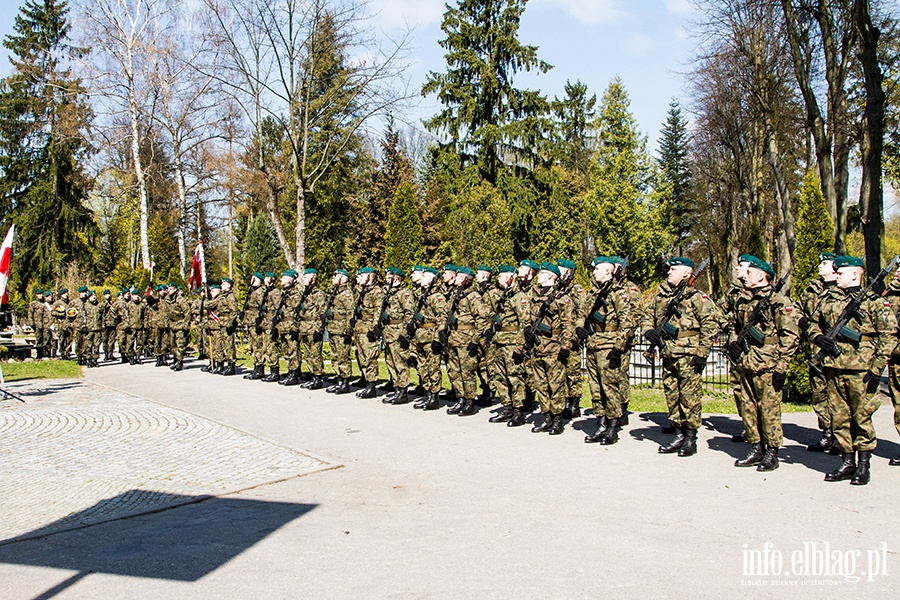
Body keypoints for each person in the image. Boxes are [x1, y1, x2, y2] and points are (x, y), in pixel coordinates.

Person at [809, 255, 898, 485]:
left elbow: (889, 335)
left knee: (862, 417)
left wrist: (877, 369)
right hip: (834, 366)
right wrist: (818, 338)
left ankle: (863, 465)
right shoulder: (828, 299)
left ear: (855, 274)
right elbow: (811, 323)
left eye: (841, 272)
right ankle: (847, 462)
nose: (836, 275)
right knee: (839, 417)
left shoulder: (873, 301)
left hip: (861, 369)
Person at [726, 256, 799, 471]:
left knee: (768, 409)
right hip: (745, 361)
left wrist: (782, 366)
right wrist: (733, 343)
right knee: (748, 407)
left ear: (761, 276)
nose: (745, 276)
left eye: (749, 273)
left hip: (768, 363)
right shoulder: (743, 300)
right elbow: (733, 325)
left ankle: (771, 451)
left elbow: (791, 336)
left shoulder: (778, 302)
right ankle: (755, 447)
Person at [641, 257, 718, 457]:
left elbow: (710, 326)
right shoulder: (661, 297)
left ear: (686, 273)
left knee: (689, 398)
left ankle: (690, 438)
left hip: (689, 355)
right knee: (672, 395)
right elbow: (646, 316)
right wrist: (648, 331)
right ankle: (677, 433)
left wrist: (702, 354)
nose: (668, 272)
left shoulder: (697, 298)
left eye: (673, 269)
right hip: (668, 352)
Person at [580, 257, 634, 445]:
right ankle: (601, 423)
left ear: (608, 272)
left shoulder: (618, 293)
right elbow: (582, 314)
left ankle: (612, 427)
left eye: (597, 269)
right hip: (594, 344)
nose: (594, 272)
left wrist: (618, 348)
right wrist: (581, 328)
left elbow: (628, 323)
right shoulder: (593, 293)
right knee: (595, 389)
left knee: (609, 388)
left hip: (609, 346)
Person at [520, 262, 575, 435]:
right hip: (537, 346)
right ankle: (547, 417)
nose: (539, 276)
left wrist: (565, 346)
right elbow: (526, 316)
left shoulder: (561, 297)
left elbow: (568, 324)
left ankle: (557, 419)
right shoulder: (533, 294)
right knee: (541, 384)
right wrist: (527, 329)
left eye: (543, 273)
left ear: (552, 276)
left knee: (555, 385)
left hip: (554, 347)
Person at [800, 252, 839, 452]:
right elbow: (797, 308)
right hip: (814, 351)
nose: (820, 266)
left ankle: (841, 437)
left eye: (824, 263)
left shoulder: (843, 290)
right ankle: (826, 433)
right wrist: (801, 320)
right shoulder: (811, 289)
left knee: (837, 395)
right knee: (820, 394)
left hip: (836, 353)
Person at [484, 265, 527, 426]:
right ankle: (507, 406)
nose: (498, 279)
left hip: (512, 342)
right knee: (499, 375)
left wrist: (520, 347)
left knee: (514, 376)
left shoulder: (519, 297)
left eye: (501, 276)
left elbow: (525, 323)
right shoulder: (504, 295)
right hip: (499, 341)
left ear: (510, 278)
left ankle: (518, 411)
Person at [411, 267, 447, 411]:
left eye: (425, 276)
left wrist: (438, 338)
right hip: (420, 336)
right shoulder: (422, 294)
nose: (422, 278)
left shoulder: (436, 296)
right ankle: (427, 394)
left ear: (432, 279)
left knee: (432, 368)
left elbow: (442, 319)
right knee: (422, 367)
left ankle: (434, 397)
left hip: (430, 336)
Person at [557, 258, 588, 419]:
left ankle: (574, 403)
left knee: (573, 371)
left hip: (573, 337)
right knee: (562, 371)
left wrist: (576, 332)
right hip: (561, 337)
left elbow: (582, 312)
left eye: (560, 270)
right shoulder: (558, 289)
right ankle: (565, 401)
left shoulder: (577, 290)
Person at [381, 267, 415, 405]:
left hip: (398, 331)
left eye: (389, 276)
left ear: (395, 278)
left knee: (400, 362)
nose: (386, 279)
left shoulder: (404, 293)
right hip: (388, 330)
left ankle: (403, 391)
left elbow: (409, 313)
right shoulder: (388, 292)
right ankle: (396, 388)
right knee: (390, 361)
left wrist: (405, 333)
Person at [351, 267, 385, 399]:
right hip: (360, 328)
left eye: (360, 276)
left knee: (369, 357)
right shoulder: (361, 291)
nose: (357, 279)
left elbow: (378, 310)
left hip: (368, 327)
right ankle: (365, 379)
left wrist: (374, 327)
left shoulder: (376, 292)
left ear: (369, 277)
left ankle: (371, 385)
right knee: (361, 355)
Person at [325, 269, 356, 394]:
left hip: (342, 329)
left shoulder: (346, 294)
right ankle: (338, 378)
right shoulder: (335, 292)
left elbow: (350, 313)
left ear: (343, 278)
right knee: (334, 355)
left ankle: (345, 381)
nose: (333, 278)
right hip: (333, 327)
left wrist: (348, 330)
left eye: (336, 276)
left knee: (342, 356)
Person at [297, 268, 327, 389]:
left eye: (305, 277)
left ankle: (318, 378)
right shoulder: (306, 293)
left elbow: (322, 312)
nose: (303, 279)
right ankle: (312, 375)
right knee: (308, 354)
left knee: (315, 354)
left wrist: (319, 329)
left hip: (313, 327)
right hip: (305, 327)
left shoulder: (317, 293)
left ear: (313, 277)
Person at [274, 270, 302, 385]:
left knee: (292, 350)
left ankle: (294, 374)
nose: (281, 279)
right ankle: (290, 371)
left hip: (291, 326)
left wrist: (295, 326)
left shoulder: (295, 294)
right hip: (283, 325)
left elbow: (298, 311)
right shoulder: (284, 292)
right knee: (286, 350)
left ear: (291, 279)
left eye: (284, 277)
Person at [242, 273, 267, 380]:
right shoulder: (252, 290)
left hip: (256, 321)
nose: (251, 279)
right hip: (250, 321)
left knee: (258, 345)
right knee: (253, 346)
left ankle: (260, 369)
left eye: (253, 278)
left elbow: (261, 306)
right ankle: (256, 367)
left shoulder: (260, 291)